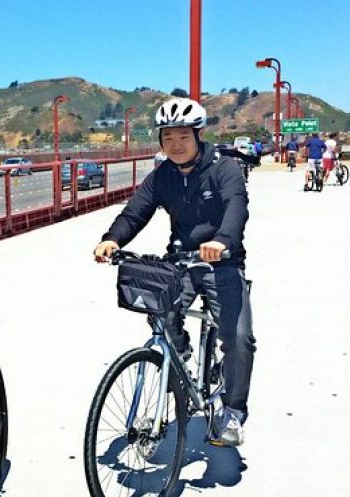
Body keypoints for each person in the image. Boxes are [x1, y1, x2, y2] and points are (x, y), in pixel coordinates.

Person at [92, 98, 256, 446]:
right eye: (168, 137)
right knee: (158, 312)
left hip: (221, 262)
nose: (175, 144)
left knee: (239, 339)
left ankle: (233, 412)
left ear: (198, 135)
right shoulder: (162, 176)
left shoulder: (223, 168)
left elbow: (236, 208)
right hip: (180, 260)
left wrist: (222, 240)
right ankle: (178, 353)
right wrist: (111, 239)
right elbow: (135, 212)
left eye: (183, 136)